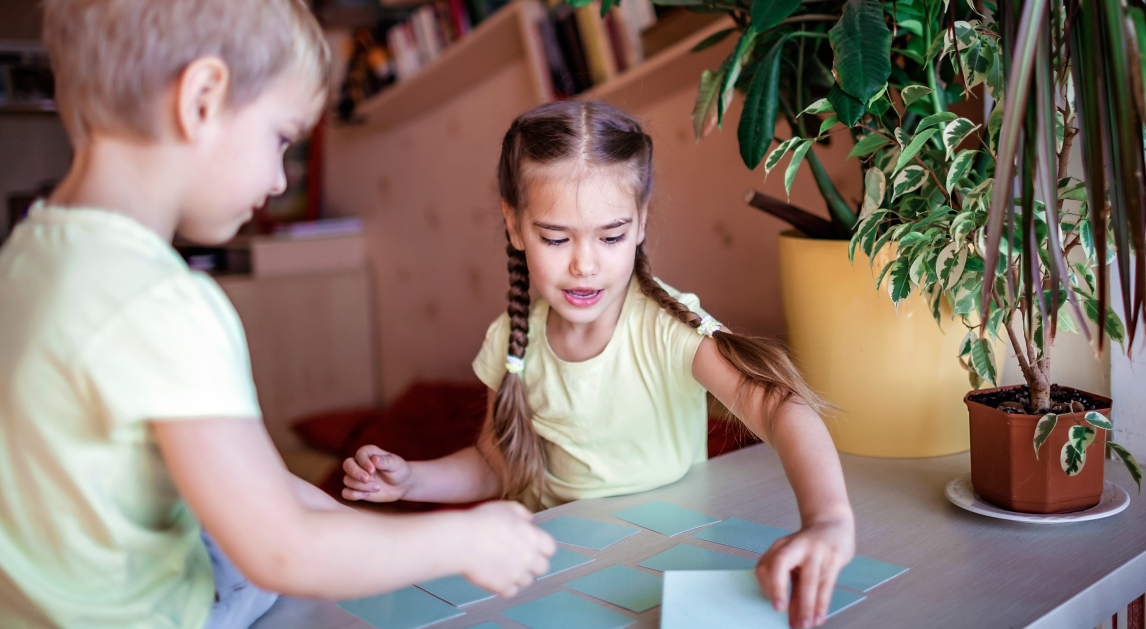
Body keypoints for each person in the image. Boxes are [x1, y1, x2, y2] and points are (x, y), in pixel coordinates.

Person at [0, 2, 554, 628]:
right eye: (281, 138)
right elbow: (279, 548)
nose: (274, 180)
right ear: (202, 99)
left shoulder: (26, 259)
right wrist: (463, 541)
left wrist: (367, 532)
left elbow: (262, 481)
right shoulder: (161, 305)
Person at [341, 100, 856, 629]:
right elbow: (496, 464)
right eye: (555, 237)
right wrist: (411, 482)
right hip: (557, 576)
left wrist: (828, 519)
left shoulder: (666, 328)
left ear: (640, 223)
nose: (584, 264)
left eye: (609, 236)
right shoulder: (511, 341)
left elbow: (779, 407)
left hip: (663, 564)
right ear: (514, 225)